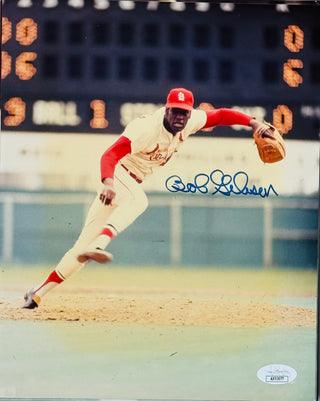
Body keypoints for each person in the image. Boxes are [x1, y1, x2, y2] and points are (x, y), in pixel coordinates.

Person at [23, 87, 264, 309]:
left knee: (80, 252)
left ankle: (36, 293)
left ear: (190, 113)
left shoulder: (191, 122)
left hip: (127, 185)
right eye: (176, 111)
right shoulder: (147, 129)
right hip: (116, 175)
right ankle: (100, 245)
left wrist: (253, 123)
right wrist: (108, 183)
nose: (180, 117)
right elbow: (110, 154)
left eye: (185, 113)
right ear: (167, 109)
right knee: (139, 202)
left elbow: (220, 115)